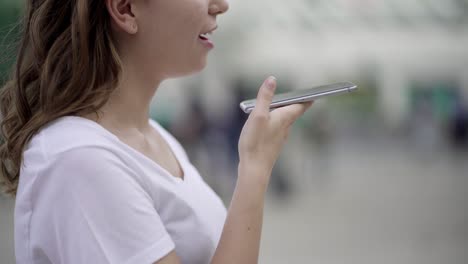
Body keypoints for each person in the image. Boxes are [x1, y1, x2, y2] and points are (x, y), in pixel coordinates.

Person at [0, 0, 312, 263]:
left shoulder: (158, 138)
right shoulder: (80, 159)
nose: (221, 5)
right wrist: (254, 170)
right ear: (126, 9)